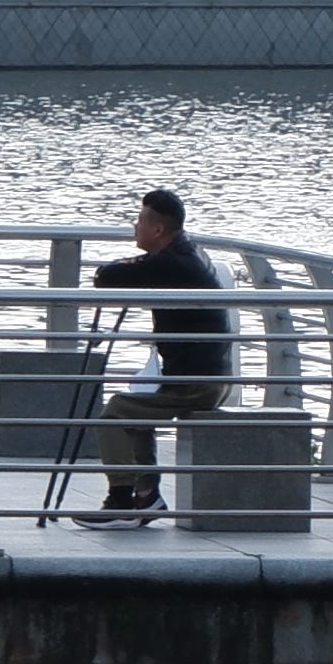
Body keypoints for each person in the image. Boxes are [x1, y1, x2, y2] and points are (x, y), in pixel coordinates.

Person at [79, 188, 234, 529]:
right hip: (208, 376)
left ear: (158, 230)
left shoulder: (172, 263)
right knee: (136, 408)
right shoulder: (188, 253)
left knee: (115, 413)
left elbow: (107, 277)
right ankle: (147, 495)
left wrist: (131, 267)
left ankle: (122, 501)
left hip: (196, 385)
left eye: (139, 220)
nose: (134, 227)